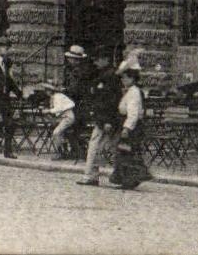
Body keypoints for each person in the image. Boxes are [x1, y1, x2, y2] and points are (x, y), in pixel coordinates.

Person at [77, 51, 121, 187]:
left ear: (106, 59)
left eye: (98, 59)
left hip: (106, 118)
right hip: (103, 117)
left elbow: (111, 100)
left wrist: (107, 120)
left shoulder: (110, 76)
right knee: (109, 148)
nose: (95, 63)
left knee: (96, 147)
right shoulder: (104, 74)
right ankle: (117, 175)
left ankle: (91, 175)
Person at [109, 56, 148, 190]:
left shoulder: (134, 93)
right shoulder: (130, 91)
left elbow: (133, 113)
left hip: (131, 126)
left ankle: (129, 179)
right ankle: (127, 179)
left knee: (126, 153)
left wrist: (127, 128)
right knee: (125, 152)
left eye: (125, 78)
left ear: (132, 78)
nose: (122, 80)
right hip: (127, 123)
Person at [52, 45, 92, 158]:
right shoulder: (73, 70)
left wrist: (62, 90)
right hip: (74, 105)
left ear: (76, 60)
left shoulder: (78, 72)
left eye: (71, 58)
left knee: (70, 128)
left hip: (77, 106)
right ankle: (73, 151)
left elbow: (75, 90)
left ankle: (74, 151)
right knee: (68, 128)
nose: (69, 60)